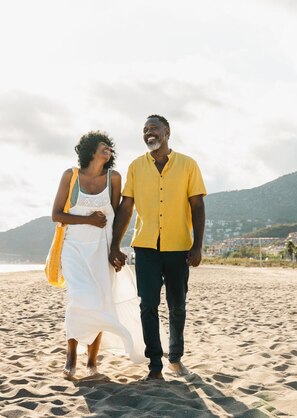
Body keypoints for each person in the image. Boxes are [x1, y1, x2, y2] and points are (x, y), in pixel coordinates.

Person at [109, 115, 206, 381]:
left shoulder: (188, 165)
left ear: (167, 132)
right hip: (146, 248)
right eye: (144, 130)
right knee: (147, 305)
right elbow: (126, 207)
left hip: (178, 247)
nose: (148, 133)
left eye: (153, 128)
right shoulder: (136, 167)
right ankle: (155, 364)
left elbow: (197, 206)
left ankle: (175, 358)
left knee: (177, 306)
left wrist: (197, 245)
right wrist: (115, 245)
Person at [51, 131, 144, 380]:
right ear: (90, 149)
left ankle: (92, 361)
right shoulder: (71, 176)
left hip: (102, 248)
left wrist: (116, 248)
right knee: (80, 298)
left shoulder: (114, 178)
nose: (108, 150)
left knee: (102, 300)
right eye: (103, 146)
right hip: (74, 249)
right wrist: (89, 219)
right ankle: (71, 356)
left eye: (110, 148)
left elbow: (116, 217)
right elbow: (57, 214)